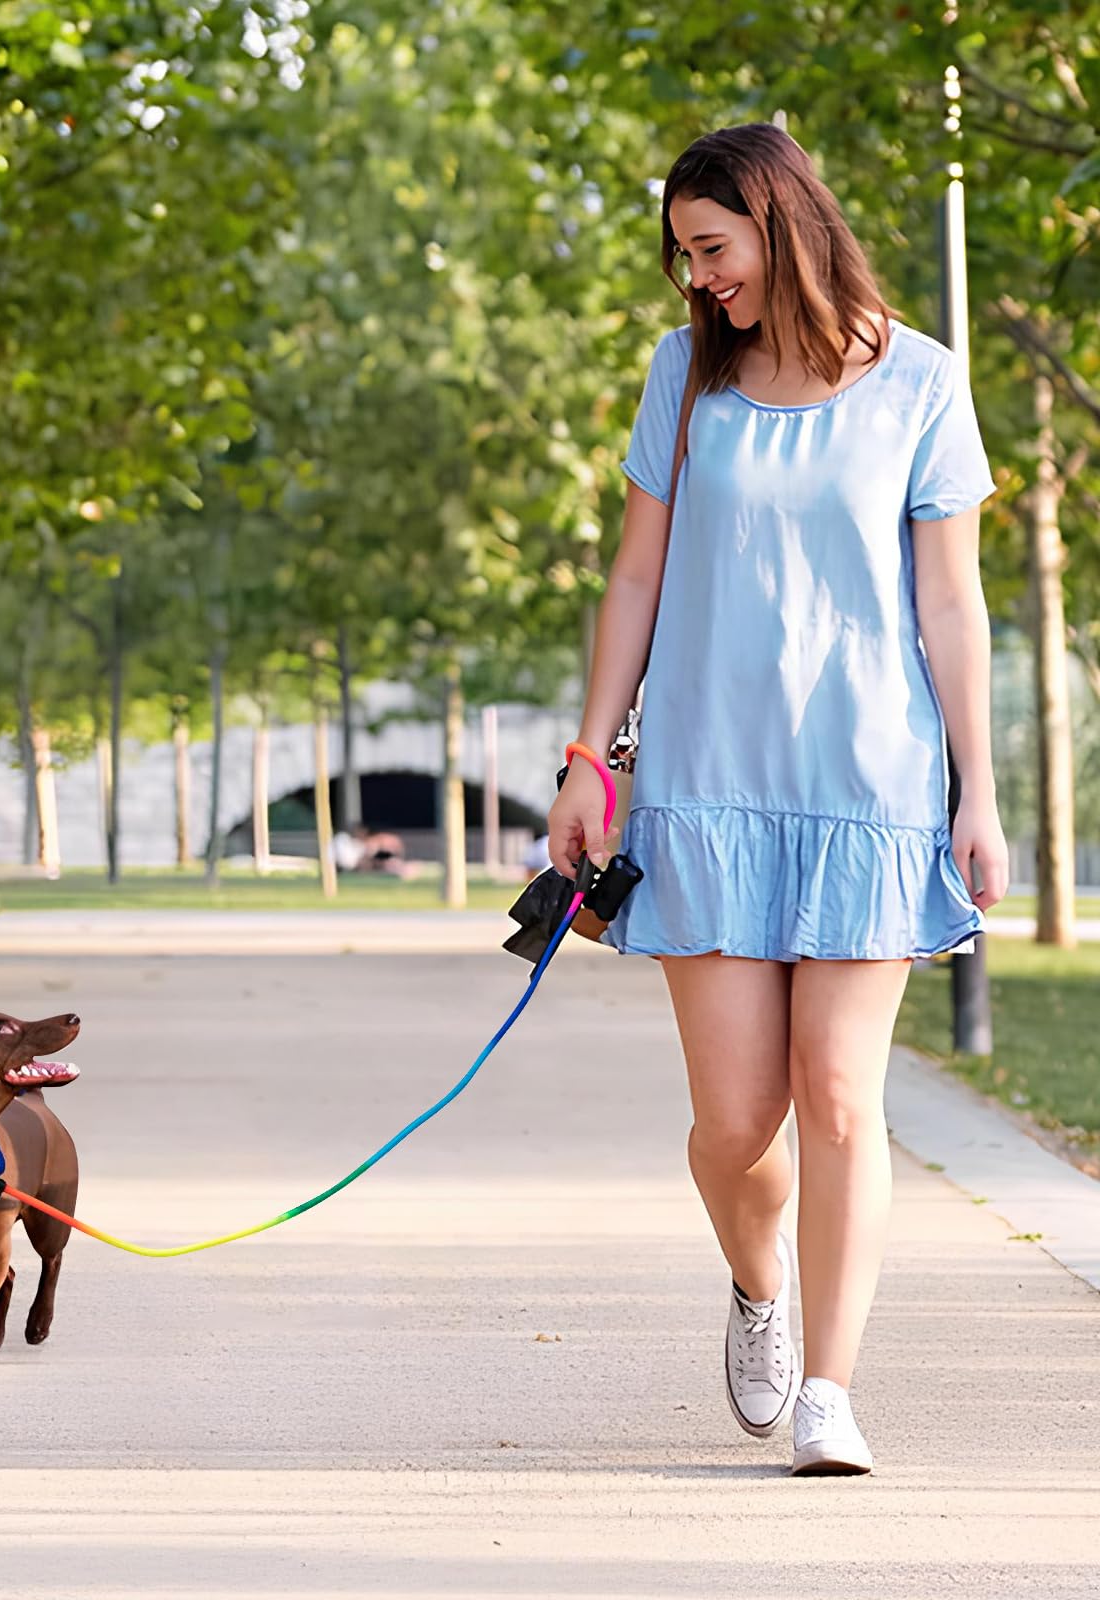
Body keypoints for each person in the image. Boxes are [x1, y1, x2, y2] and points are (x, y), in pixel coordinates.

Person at [547, 124, 1007, 1478]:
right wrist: (588, 759)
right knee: (739, 1125)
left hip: (868, 789)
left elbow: (951, 601)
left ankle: (829, 1389)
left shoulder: (920, 378)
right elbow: (634, 579)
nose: (697, 280)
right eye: (683, 256)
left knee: (842, 1099)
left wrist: (977, 792)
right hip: (705, 787)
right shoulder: (685, 379)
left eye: (712, 248)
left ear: (782, 221)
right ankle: (757, 1290)